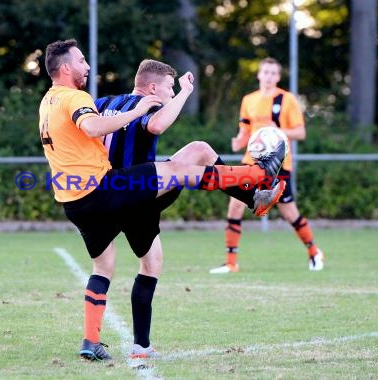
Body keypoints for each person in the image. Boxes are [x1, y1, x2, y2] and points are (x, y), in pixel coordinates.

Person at [39, 39, 286, 361]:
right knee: (187, 165)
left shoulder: (85, 100)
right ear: (153, 88)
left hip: (83, 199)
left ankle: (108, 343)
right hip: (126, 191)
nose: (87, 66)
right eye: (168, 88)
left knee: (116, 264)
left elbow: (90, 132)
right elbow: (152, 124)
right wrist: (181, 92)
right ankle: (257, 178)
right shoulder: (122, 101)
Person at [209, 57, 325, 275]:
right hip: (250, 163)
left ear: (278, 77)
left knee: (289, 212)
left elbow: (300, 132)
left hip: (278, 165)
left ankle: (314, 251)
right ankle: (231, 263)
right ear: (259, 75)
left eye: (274, 73)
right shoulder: (248, 100)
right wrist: (239, 141)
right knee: (235, 204)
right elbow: (245, 131)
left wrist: (278, 130)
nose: (269, 76)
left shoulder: (287, 99)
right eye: (266, 72)